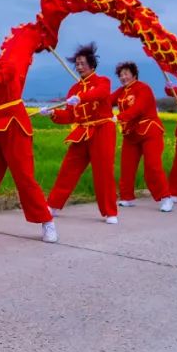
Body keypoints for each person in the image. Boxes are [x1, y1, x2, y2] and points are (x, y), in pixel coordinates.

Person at [0, 34, 57, 242]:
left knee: (24, 177)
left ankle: (47, 221)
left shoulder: (2, 65)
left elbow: (8, 73)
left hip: (12, 125)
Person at [43, 43, 119, 223]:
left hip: (102, 129)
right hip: (83, 130)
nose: (79, 67)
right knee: (68, 168)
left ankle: (110, 212)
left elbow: (100, 94)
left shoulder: (102, 81)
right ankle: (53, 204)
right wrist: (53, 113)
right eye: (77, 64)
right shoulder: (74, 89)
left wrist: (82, 97)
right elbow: (69, 116)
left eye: (82, 63)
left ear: (92, 65)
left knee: (103, 171)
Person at [111, 62, 173, 213]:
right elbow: (106, 101)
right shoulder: (121, 91)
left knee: (152, 166)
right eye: (120, 75)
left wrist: (119, 117)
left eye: (126, 73)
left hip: (149, 131)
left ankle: (165, 197)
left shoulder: (143, 88)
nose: (123, 77)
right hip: (131, 134)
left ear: (134, 74)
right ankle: (127, 197)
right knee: (127, 166)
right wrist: (87, 100)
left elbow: (138, 108)